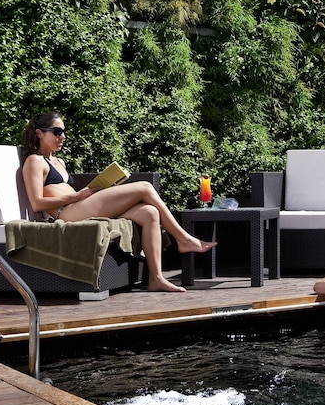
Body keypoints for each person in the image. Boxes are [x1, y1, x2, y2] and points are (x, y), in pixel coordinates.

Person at [20, 111, 215, 293]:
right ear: (39, 133)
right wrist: (78, 196)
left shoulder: (59, 162)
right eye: (57, 132)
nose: (62, 136)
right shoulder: (35, 161)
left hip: (80, 205)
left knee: (150, 213)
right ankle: (183, 239)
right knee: (145, 187)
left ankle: (156, 278)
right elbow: (37, 203)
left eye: (63, 132)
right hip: (68, 211)